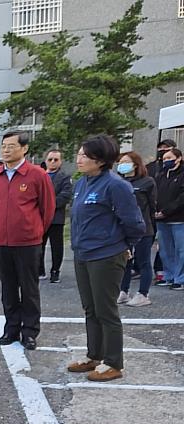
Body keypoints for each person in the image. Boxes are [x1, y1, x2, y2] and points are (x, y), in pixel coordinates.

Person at [68, 135, 146, 382]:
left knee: (106, 310)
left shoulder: (115, 185)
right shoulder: (82, 183)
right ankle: (95, 355)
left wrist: (124, 246)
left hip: (106, 255)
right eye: (79, 154)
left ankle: (113, 362)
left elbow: (134, 223)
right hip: (83, 253)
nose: (79, 159)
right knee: (90, 308)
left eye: (84, 155)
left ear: (100, 160)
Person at [0, 131, 55, 350]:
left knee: (29, 288)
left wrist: (33, 231)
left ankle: (30, 332)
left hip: (27, 242)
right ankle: (11, 329)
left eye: (11, 146)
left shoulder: (37, 175)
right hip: (1, 241)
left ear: (24, 148)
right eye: (3, 146)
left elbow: (47, 210)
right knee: (8, 288)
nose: (6, 150)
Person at [115, 151, 156, 307]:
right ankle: (123, 291)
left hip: (143, 228)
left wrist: (152, 228)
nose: (122, 165)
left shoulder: (147, 182)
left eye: (126, 162)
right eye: (120, 162)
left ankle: (143, 294)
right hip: (123, 228)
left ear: (135, 164)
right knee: (125, 261)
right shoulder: (119, 182)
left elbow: (152, 206)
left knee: (143, 261)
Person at [39, 149, 73, 283]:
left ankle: (55, 271)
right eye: (50, 159)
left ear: (61, 161)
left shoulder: (65, 177)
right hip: (40, 218)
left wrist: (49, 205)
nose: (52, 162)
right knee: (38, 246)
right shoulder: (40, 175)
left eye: (56, 159)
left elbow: (65, 195)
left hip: (56, 218)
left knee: (56, 247)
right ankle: (39, 270)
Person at [153, 147, 184, 290]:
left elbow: (181, 198)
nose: (166, 161)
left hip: (178, 218)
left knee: (181, 250)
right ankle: (169, 275)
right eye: (164, 159)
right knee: (165, 250)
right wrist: (156, 211)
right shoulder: (160, 175)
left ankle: (180, 278)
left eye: (169, 158)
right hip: (161, 219)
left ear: (179, 158)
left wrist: (166, 211)